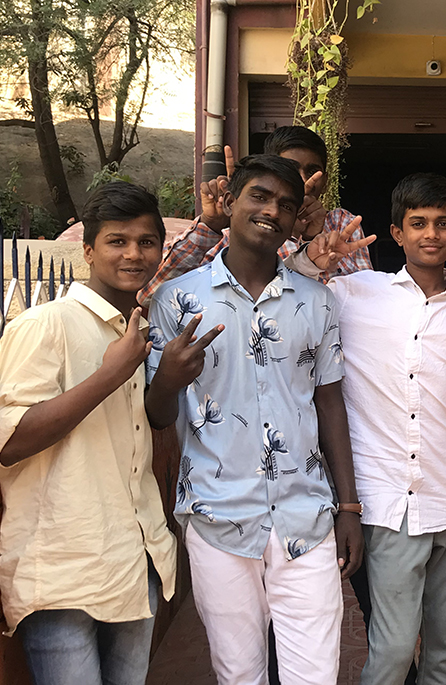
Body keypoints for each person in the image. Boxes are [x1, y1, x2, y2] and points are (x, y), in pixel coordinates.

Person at [144, 155, 364, 684]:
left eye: (286, 205)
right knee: (238, 673)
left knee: (315, 674)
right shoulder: (179, 299)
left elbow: (330, 403)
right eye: (260, 197)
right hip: (219, 515)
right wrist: (170, 377)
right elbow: (156, 415)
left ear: (294, 221)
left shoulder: (316, 301)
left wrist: (349, 507)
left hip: (305, 515)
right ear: (231, 203)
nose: (272, 211)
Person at [289, 173, 446, 684]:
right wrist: (313, 257)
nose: (432, 234)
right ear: (397, 233)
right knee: (394, 649)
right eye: (418, 223)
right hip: (388, 502)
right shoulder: (354, 293)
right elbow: (285, 290)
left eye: (443, 224)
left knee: (445, 654)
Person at [0, 182, 177, 685]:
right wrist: (108, 375)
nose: (133, 254)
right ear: (87, 251)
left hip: (134, 559)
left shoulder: (137, 330)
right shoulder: (44, 324)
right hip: (62, 571)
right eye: (117, 241)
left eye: (146, 242)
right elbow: (9, 442)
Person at [137, 125, 374, 305]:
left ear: (326, 180)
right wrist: (210, 225)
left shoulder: (342, 224)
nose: (303, 180)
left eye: (313, 171)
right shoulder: (238, 227)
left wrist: (314, 240)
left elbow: (363, 306)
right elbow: (151, 294)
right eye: (291, 170)